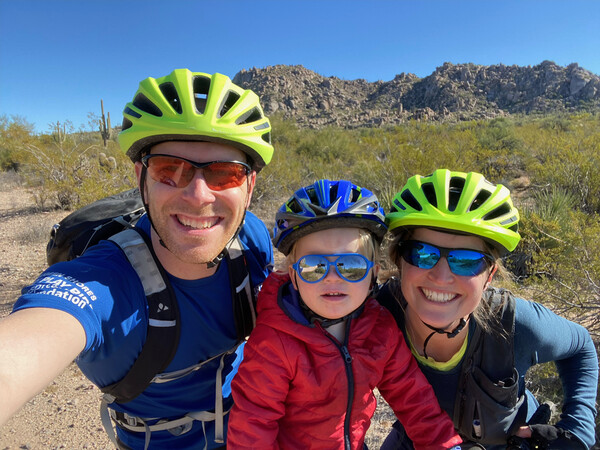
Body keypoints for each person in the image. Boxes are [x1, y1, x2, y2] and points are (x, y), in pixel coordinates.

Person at [0, 69, 275, 449]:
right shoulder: (100, 284)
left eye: (224, 175)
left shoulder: (251, 239)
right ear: (141, 177)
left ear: (249, 187)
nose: (198, 196)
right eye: (169, 169)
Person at [227, 179, 463, 449]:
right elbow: (252, 424)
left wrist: (445, 445)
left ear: (373, 274)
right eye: (314, 267)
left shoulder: (380, 330)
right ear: (293, 277)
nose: (332, 278)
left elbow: (415, 401)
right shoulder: (275, 342)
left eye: (351, 266)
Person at [376, 169, 598, 449]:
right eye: (422, 253)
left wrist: (577, 431)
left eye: (466, 260)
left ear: (489, 274)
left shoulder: (515, 324)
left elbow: (581, 346)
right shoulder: (377, 314)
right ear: (399, 260)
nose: (441, 277)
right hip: (418, 439)